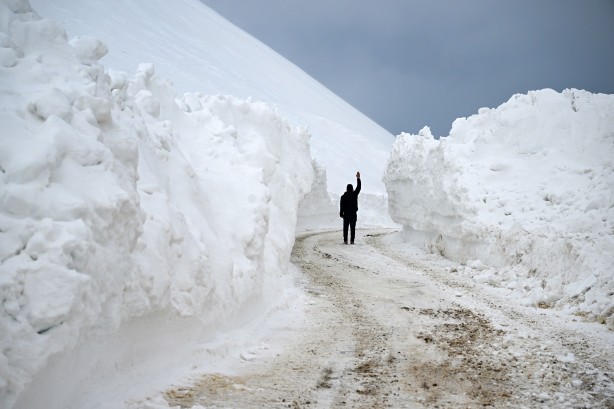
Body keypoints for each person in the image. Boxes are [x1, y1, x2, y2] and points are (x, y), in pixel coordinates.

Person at [339, 171, 361, 244]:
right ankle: (352, 241)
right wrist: (358, 178)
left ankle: (345, 240)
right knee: (352, 228)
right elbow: (359, 187)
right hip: (353, 215)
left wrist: (341, 213)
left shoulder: (343, 197)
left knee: (345, 228)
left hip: (346, 215)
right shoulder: (354, 194)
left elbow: (341, 206)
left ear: (346, 189)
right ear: (352, 189)